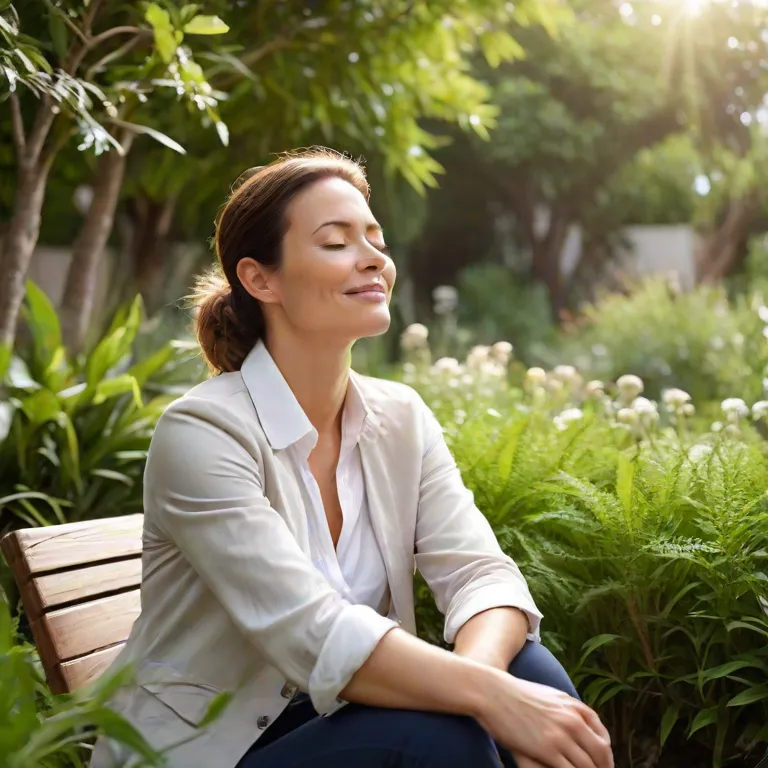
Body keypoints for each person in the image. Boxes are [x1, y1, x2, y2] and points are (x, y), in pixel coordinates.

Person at [90, 148, 613, 768]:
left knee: (529, 672)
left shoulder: (400, 417)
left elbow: (482, 576)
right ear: (261, 280)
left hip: (337, 716)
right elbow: (313, 632)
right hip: (216, 747)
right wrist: (487, 700)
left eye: (374, 238)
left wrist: (491, 693)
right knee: (443, 734)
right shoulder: (203, 432)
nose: (373, 258)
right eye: (336, 242)